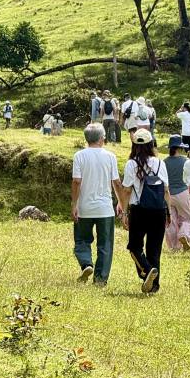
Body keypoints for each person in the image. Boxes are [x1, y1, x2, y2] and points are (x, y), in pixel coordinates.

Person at [71, 122, 123, 286]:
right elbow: (117, 183)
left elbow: (76, 182)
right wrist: (121, 202)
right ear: (102, 138)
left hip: (84, 207)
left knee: (81, 240)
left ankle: (86, 263)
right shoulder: (110, 156)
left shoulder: (79, 156)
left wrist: (74, 204)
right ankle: (100, 279)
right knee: (105, 244)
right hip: (105, 208)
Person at [119, 128, 171, 293]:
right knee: (154, 249)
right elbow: (166, 190)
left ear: (134, 145)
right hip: (159, 210)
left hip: (139, 210)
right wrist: (168, 212)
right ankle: (154, 286)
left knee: (134, 246)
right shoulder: (160, 163)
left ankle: (147, 271)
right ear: (151, 144)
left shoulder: (131, 164)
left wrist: (124, 213)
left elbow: (127, 190)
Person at [163, 135, 190, 252]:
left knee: (171, 220)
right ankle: (184, 234)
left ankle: (174, 247)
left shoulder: (164, 162)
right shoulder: (185, 161)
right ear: (180, 148)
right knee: (187, 218)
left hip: (168, 194)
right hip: (182, 192)